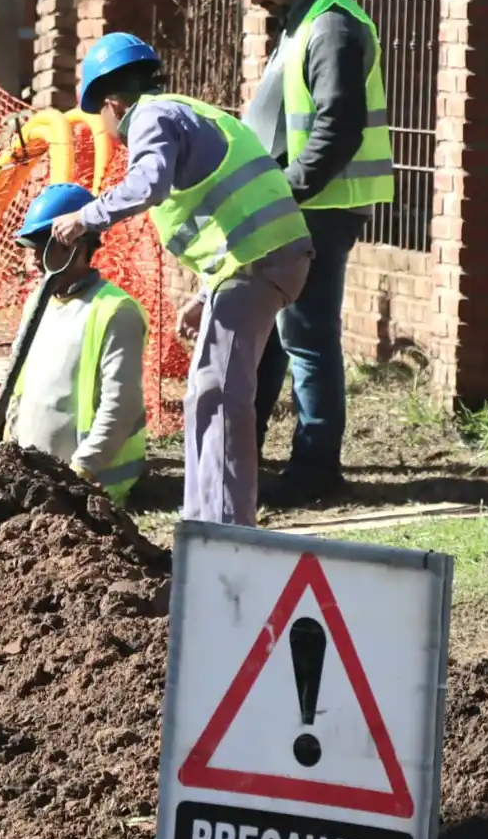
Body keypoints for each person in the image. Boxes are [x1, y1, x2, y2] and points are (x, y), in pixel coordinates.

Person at [49, 33, 313, 528]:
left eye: (102, 121)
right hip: (257, 261)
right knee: (207, 388)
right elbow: (226, 214)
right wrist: (206, 292)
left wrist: (85, 218)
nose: (108, 133)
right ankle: (204, 515)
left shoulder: (150, 117)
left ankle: (225, 525)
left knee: (219, 390)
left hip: (259, 261)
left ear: (111, 104)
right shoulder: (186, 111)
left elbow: (148, 184)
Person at [215, 0, 395, 508]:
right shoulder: (305, 21)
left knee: (307, 337)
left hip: (317, 208)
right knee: (276, 337)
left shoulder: (332, 26)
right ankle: (250, 454)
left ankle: (316, 469)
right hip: (298, 207)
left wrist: (286, 193)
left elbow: (335, 128)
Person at [6, 182, 148, 506]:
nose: (30, 261)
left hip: (92, 491)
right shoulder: (38, 304)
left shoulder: (115, 311)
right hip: (35, 484)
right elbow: (18, 386)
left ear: (75, 244)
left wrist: (80, 472)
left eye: (40, 246)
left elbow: (119, 405)